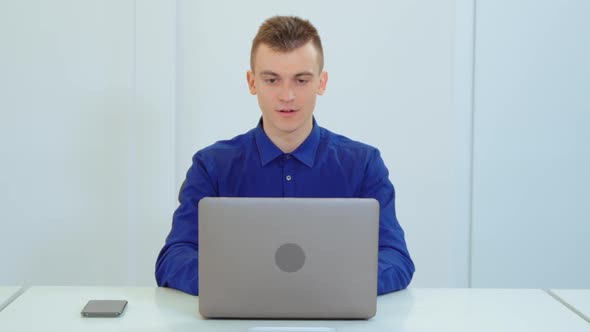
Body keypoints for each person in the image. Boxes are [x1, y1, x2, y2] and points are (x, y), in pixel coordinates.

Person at [155, 15, 414, 295]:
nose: (287, 95)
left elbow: (395, 258)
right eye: (272, 80)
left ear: (321, 82)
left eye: (301, 80)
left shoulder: (364, 165)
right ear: (252, 82)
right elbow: (174, 257)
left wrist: (329, 286)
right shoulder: (211, 166)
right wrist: (245, 287)